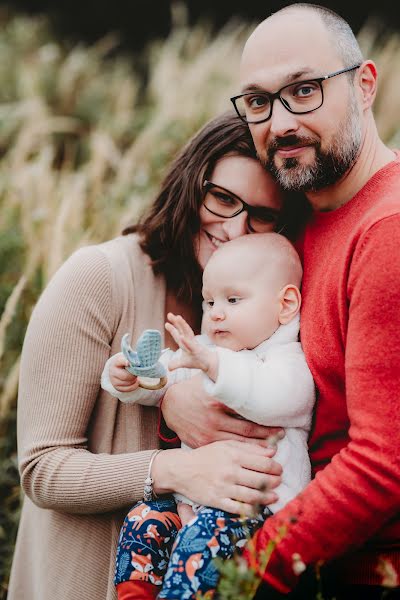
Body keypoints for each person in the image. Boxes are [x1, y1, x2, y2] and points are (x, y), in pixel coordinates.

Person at [8, 111, 308, 600]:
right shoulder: (98, 278)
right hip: (83, 582)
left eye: (262, 215)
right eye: (223, 198)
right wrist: (174, 468)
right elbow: (42, 469)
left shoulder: (260, 312)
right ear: (191, 184)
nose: (235, 229)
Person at [160, 4, 400, 599]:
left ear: (364, 85)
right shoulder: (290, 220)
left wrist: (238, 582)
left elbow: (382, 463)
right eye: (260, 102)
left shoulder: (388, 230)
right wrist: (176, 398)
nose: (281, 121)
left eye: (304, 90)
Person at [101, 233, 315, 599]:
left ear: (286, 304)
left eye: (233, 299)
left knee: (199, 548)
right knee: (144, 519)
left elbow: (273, 397)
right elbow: (162, 377)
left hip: (258, 512)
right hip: (192, 498)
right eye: (209, 300)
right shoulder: (205, 353)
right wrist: (128, 377)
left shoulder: (286, 361)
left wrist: (213, 365)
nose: (216, 312)